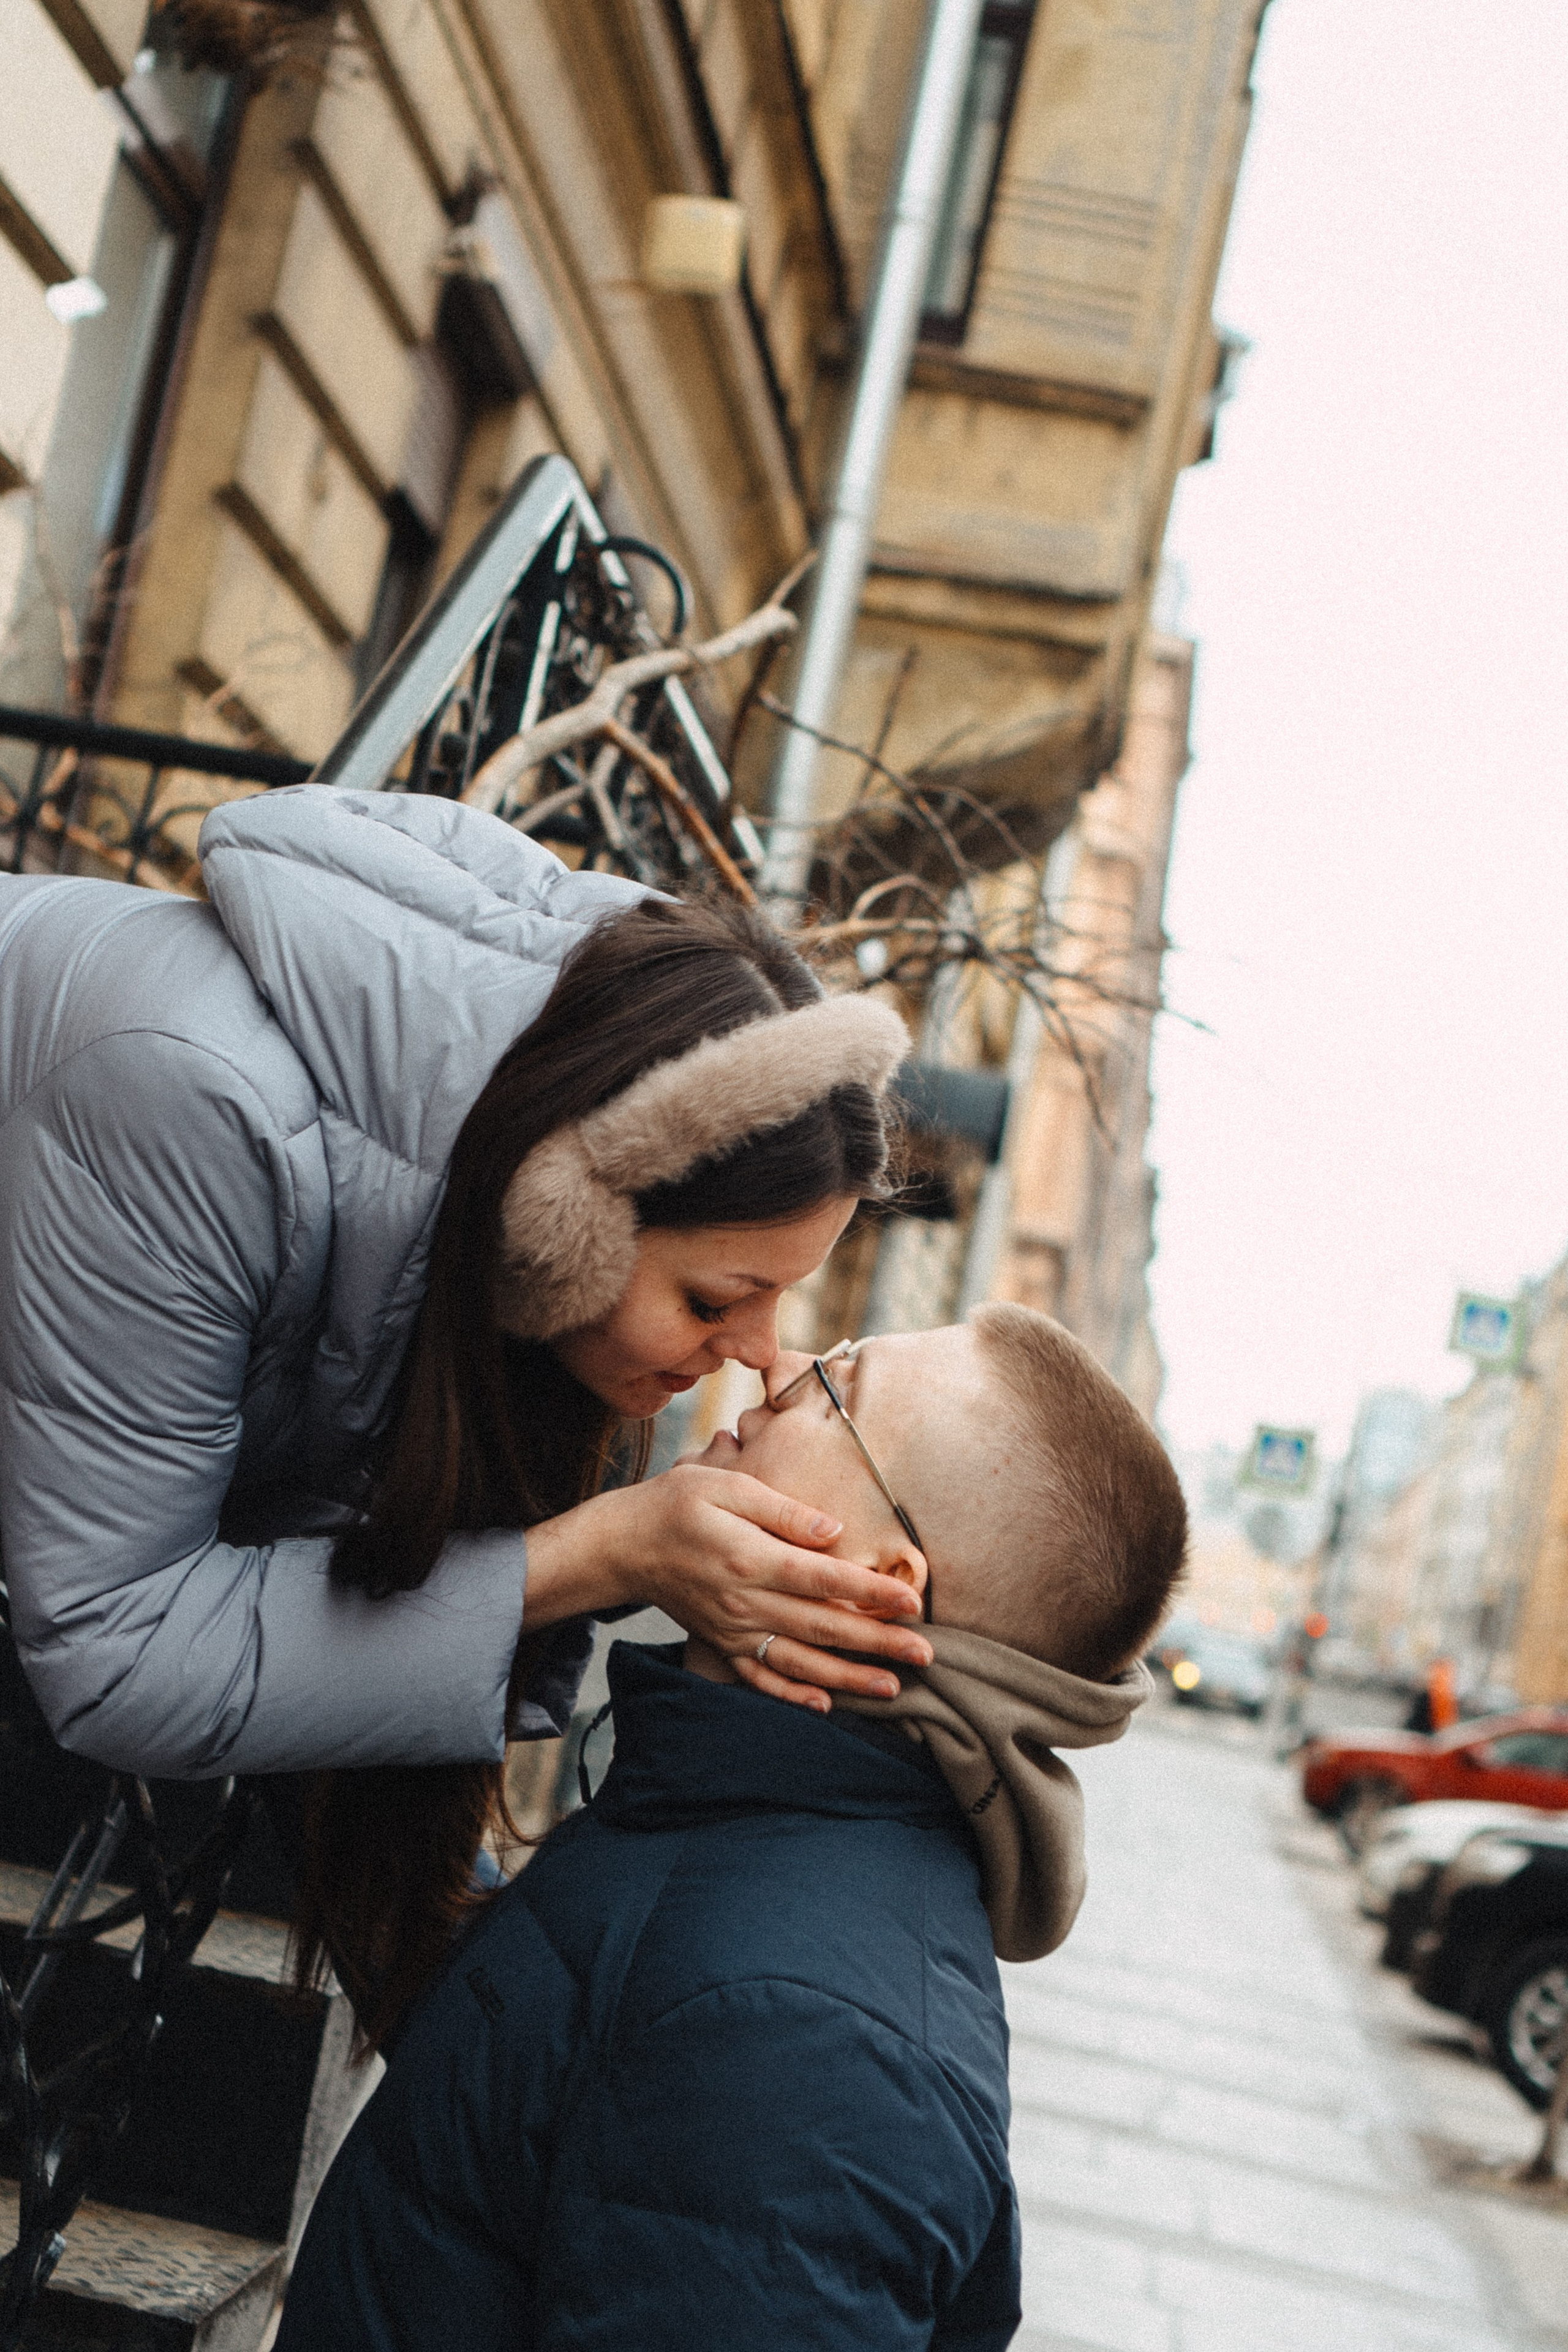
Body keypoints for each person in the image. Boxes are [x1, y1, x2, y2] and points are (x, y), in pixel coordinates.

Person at [0, 785, 935, 2033]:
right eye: (719, 1298)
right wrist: (600, 1552)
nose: (758, 1359)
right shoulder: (190, 1101)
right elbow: (116, 1650)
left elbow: (321, 1585)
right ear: (568, 1219)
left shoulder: (475, 1181)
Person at [276, 1303, 1188, 2351]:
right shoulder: (738, 1834)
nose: (776, 1364)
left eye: (837, 1385)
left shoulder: (809, 2042)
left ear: (882, 1584)